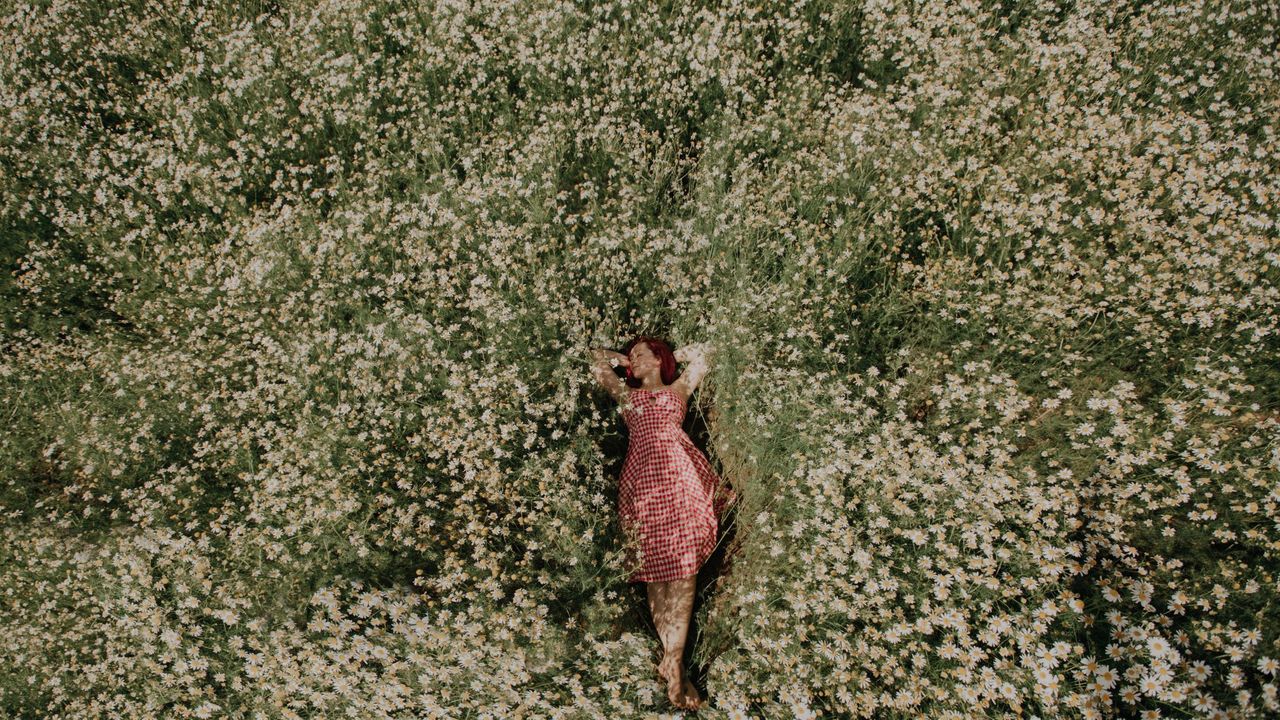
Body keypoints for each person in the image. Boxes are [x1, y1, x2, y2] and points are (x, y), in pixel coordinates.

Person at [589, 336, 736, 711]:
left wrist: (670, 357)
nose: (634, 360)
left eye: (642, 353)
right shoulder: (626, 393)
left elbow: (708, 352)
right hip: (641, 478)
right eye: (632, 355)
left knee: (683, 562)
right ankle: (675, 663)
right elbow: (593, 360)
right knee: (654, 568)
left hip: (678, 468)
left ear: (658, 358)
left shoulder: (680, 387)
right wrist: (621, 359)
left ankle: (675, 657)